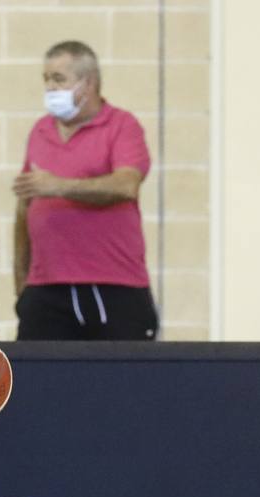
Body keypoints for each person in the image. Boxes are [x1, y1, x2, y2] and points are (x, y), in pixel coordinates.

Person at [11, 40, 157, 340]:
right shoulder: (41, 130)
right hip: (46, 288)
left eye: (59, 79)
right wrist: (21, 282)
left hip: (115, 284)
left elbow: (126, 184)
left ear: (87, 83)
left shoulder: (122, 125)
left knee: (125, 382)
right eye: (46, 79)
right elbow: (25, 208)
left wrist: (58, 185)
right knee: (40, 382)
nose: (50, 87)